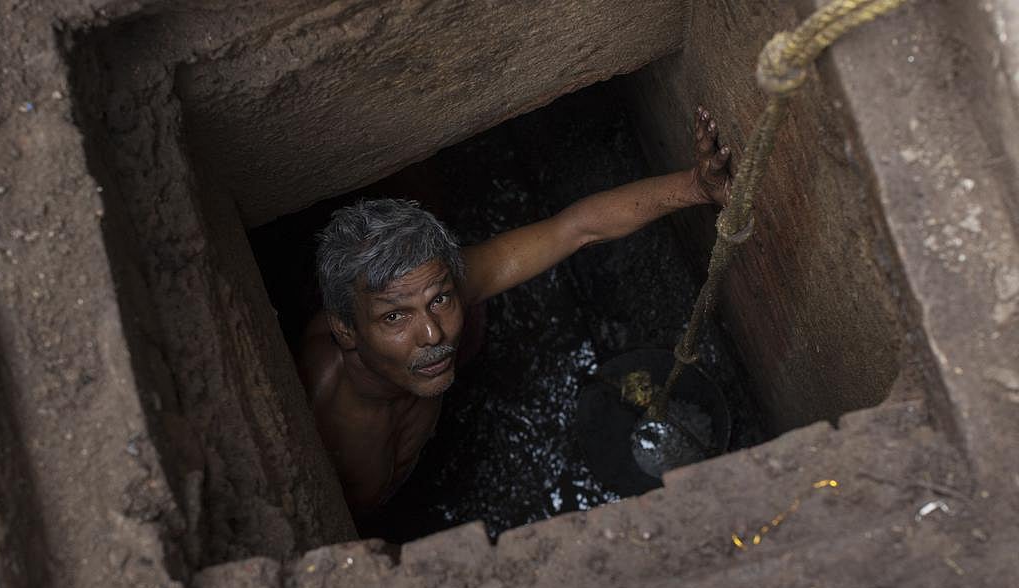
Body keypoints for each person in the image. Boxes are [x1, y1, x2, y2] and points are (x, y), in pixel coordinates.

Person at [297, 107, 733, 526]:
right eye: (395, 318)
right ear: (346, 330)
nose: (431, 332)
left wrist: (696, 186)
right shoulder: (318, 431)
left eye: (439, 299)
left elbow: (577, 229)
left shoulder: (436, 286)